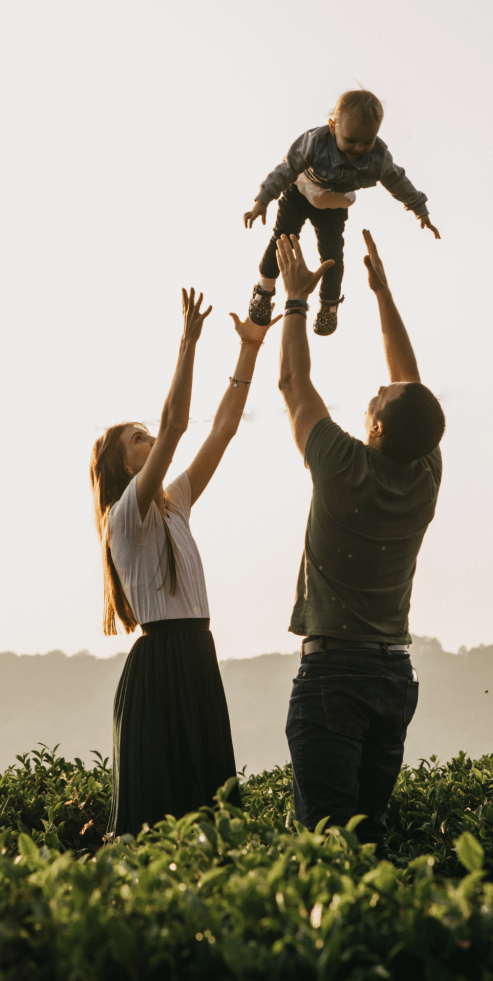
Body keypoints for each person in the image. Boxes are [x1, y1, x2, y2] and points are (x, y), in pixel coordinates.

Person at [276, 230, 445, 858]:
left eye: (377, 399)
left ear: (374, 428)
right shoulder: (424, 474)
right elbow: (413, 387)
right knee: (369, 842)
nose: (376, 389)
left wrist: (295, 302)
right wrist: (382, 294)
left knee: (324, 846)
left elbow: (294, 384)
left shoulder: (342, 464)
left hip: (336, 675)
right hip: (392, 674)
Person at [89, 289, 279, 838]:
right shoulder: (126, 514)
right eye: (138, 439)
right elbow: (177, 425)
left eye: (146, 435)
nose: (151, 440)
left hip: (197, 656)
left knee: (211, 815)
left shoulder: (174, 502)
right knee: (157, 821)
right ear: (120, 464)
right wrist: (188, 345)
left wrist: (250, 349)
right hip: (161, 667)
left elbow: (222, 429)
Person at [243, 89, 440, 337]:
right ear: (333, 127)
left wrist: (419, 209)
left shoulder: (378, 158)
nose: (358, 148)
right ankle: (264, 289)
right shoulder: (315, 141)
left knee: (332, 254)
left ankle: (329, 304)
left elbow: (397, 181)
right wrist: (263, 199)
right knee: (283, 238)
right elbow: (287, 168)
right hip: (301, 192)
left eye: (367, 141)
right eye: (351, 140)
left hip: (333, 205)